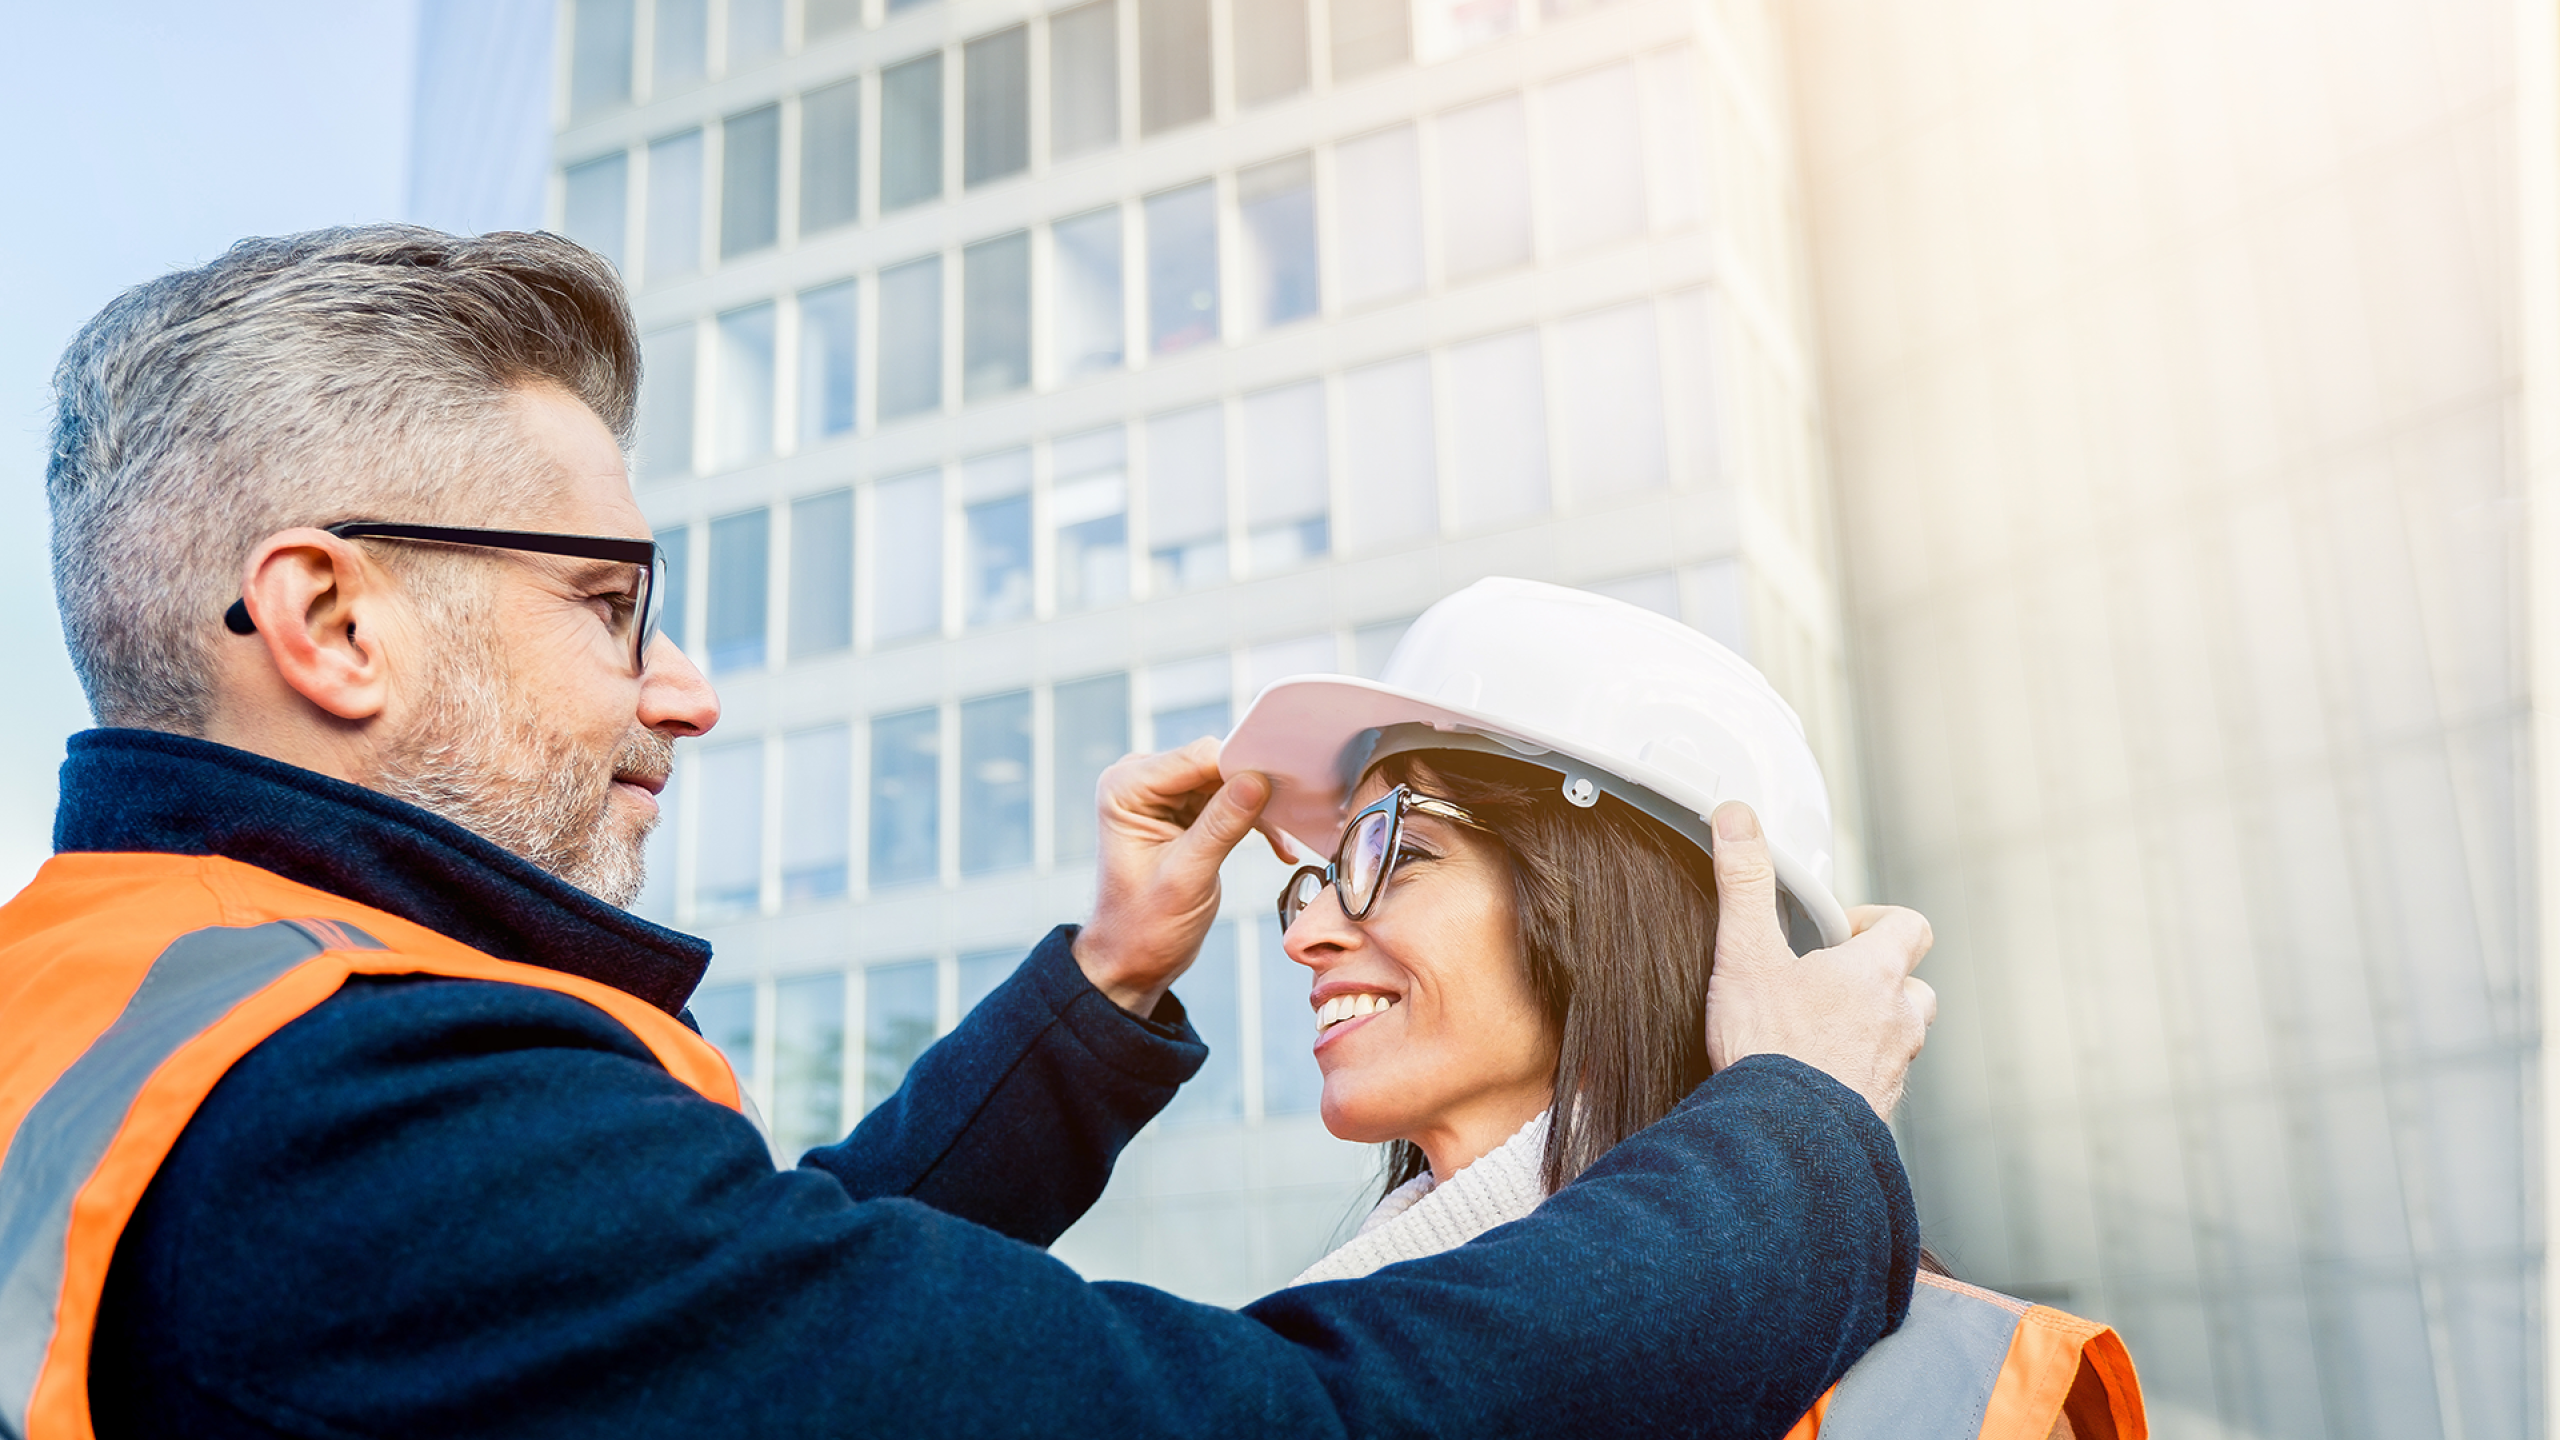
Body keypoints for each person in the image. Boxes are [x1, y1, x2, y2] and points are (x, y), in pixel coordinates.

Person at [1, 226, 1936, 1440]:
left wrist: (1098, 999)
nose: (686, 690)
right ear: (332, 622)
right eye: (613, 606)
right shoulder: (364, 1120)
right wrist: (1802, 1140)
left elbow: (769, 1325)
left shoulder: (148, 1046)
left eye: (1390, 847)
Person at [1225, 578, 2147, 1440]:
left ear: (1607, 908)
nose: (1304, 928)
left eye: (1398, 851)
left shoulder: (1951, 1393)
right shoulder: (1312, 1359)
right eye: (1324, 872)